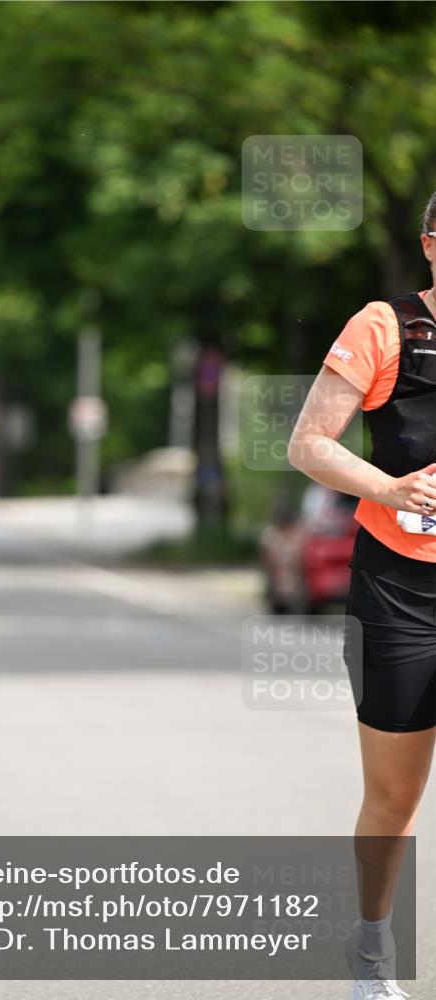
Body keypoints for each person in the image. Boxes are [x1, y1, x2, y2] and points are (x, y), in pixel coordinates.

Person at [288, 191, 436, 1000]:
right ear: (428, 245)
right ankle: (371, 950)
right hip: (402, 586)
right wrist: (389, 485)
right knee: (393, 795)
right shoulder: (386, 327)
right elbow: (307, 442)